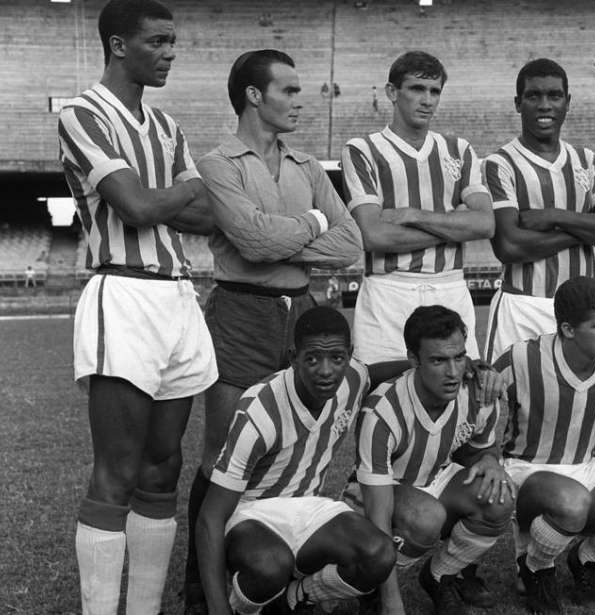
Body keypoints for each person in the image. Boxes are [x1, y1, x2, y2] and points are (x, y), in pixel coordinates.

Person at [183, 49, 363, 612]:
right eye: (288, 90)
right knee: (221, 455)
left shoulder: (309, 166)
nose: (299, 100)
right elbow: (252, 244)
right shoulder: (217, 163)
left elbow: (353, 243)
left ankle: (281, 576)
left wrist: (280, 234)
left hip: (303, 312)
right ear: (253, 96)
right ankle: (200, 590)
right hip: (240, 313)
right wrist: (312, 224)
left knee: (295, 443)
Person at [57, 1, 217, 613]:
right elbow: (137, 208)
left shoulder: (167, 126)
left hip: (178, 293)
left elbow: (205, 215)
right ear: (119, 45)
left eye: (173, 40)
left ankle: (144, 608)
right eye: (158, 41)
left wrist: (169, 196)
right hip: (122, 292)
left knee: (161, 468)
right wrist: (177, 193)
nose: (171, 52)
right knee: (117, 471)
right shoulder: (82, 113)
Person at [196, 307, 400, 615]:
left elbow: (376, 374)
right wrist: (217, 608)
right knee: (269, 565)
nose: (326, 370)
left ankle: (297, 597)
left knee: (380, 553)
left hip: (309, 509)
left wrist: (441, 364)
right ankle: (243, 608)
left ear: (349, 355)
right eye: (313, 358)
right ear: (293, 357)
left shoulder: (354, 377)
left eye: (337, 358)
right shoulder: (258, 410)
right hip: (253, 514)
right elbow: (209, 518)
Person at [493, 277, 595, 613]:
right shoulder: (522, 358)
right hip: (528, 470)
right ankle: (535, 568)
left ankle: (587, 558)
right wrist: (484, 458)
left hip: (587, 467)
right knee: (571, 502)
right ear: (569, 330)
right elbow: (475, 401)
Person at [352, 305, 514, 615]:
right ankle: (371, 588)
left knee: (499, 496)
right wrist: (392, 603)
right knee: (425, 517)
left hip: (434, 479)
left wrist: (492, 461)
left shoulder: (476, 393)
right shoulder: (383, 412)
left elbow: (481, 448)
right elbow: (377, 512)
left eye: (458, 357)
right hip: (375, 495)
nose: (453, 372)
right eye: (438, 360)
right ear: (413, 360)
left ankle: (440, 577)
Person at [343, 51, 494, 363]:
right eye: (416, 89)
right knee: (381, 393)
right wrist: (455, 228)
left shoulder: (459, 150)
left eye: (434, 91)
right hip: (388, 289)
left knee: (458, 397)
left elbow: (485, 224)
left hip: (450, 285)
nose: (427, 100)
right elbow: (374, 236)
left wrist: (413, 215)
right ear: (392, 92)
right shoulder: (362, 150)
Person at [482, 58, 595, 363]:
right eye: (533, 96)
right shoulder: (499, 164)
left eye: (554, 95)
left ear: (568, 102)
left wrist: (555, 216)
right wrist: (587, 232)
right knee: (507, 402)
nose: (544, 105)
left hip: (583, 314)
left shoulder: (587, 160)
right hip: (523, 305)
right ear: (517, 103)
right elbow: (510, 246)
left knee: (579, 402)